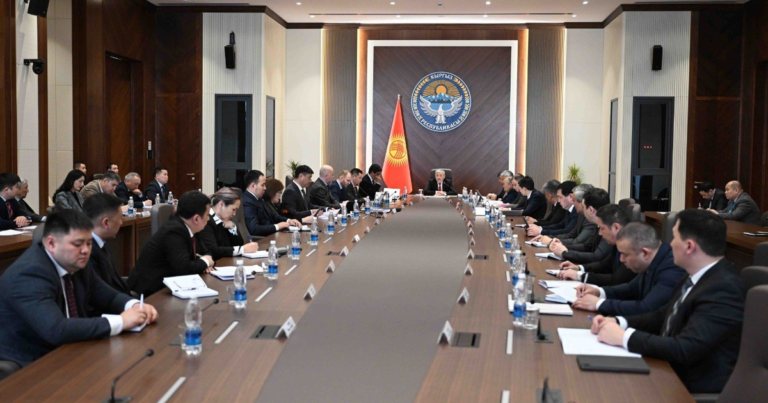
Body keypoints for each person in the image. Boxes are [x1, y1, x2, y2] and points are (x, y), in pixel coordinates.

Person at [591, 209, 744, 393]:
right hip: (667, 370)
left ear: (689, 246)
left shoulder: (724, 288)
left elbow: (685, 348)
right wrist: (618, 322)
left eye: (674, 238)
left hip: (687, 388)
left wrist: (624, 337)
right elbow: (662, 315)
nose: (670, 244)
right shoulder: (694, 276)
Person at [0, 210, 158, 368]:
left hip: (72, 349)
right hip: (31, 362)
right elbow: (56, 329)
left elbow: (108, 296)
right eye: (77, 244)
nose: (85, 250)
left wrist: (134, 305)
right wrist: (121, 321)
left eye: (89, 243)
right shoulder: (29, 274)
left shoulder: (74, 261)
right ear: (51, 243)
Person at [572, 222, 686, 316]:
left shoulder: (672, 270)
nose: (621, 259)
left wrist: (599, 304)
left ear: (645, 253)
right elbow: (631, 288)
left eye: (624, 254)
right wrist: (599, 291)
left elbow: (646, 309)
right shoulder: (655, 258)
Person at [128, 191, 215, 296]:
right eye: (207, 215)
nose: (208, 218)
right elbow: (185, 269)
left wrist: (205, 263)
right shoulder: (174, 232)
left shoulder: (190, 227)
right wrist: (205, 262)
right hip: (151, 294)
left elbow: (207, 252)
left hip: (171, 288)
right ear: (196, 218)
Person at [556, 204, 632, 286]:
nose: (600, 233)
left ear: (616, 228)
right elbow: (604, 265)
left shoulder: (632, 248)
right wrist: (579, 268)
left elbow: (615, 280)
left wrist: (579, 276)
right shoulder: (617, 244)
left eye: (602, 228)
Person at [83, 193, 137, 307]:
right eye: (120, 218)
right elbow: (98, 296)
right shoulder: (87, 252)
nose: (121, 223)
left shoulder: (101, 242)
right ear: (106, 223)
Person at [550, 188, 612, 263]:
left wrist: (565, 253)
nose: (582, 210)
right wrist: (561, 246)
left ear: (591, 210)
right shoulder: (598, 224)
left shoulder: (609, 227)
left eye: (583, 207)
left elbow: (596, 256)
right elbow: (587, 246)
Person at [196, 187, 259, 261]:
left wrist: (233, 227)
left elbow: (238, 245)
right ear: (221, 205)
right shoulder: (207, 221)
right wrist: (242, 249)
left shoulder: (225, 220)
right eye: (233, 209)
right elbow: (212, 250)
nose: (234, 214)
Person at [530, 184, 597, 249]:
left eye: (574, 200)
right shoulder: (581, 215)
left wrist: (551, 241)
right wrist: (546, 237)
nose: (573, 203)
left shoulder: (590, 220)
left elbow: (577, 242)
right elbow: (570, 235)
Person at [242, 170, 301, 237]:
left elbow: (272, 215)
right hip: (263, 239)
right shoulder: (247, 202)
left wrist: (288, 220)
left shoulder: (258, 198)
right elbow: (254, 229)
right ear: (253, 186)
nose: (265, 188)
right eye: (262, 185)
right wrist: (277, 226)